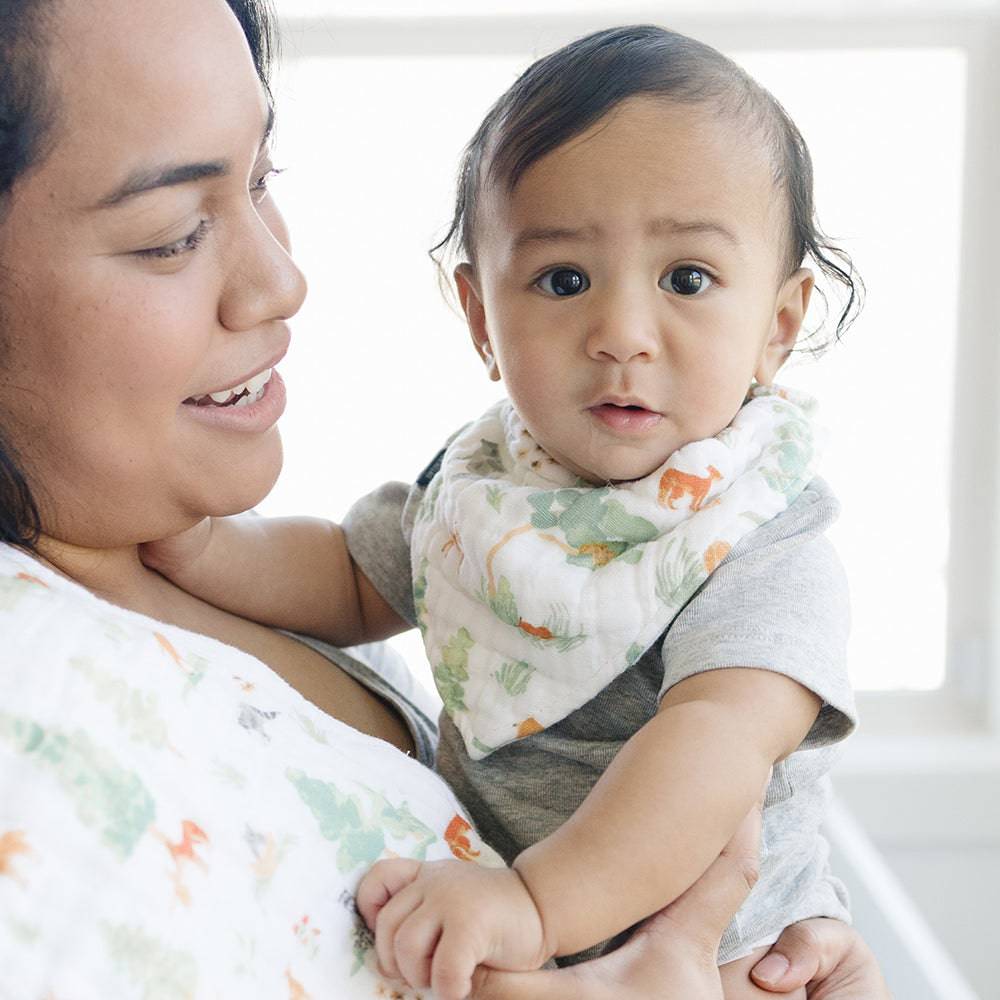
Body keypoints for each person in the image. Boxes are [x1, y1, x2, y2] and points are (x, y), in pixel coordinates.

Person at [0, 0, 889, 996]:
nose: (623, 332)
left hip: (730, 950)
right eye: (561, 280)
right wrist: (209, 551)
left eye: (686, 276)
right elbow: (352, 567)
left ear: (779, 323)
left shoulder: (754, 528)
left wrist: (539, 906)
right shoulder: (490, 483)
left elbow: (717, 742)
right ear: (478, 314)